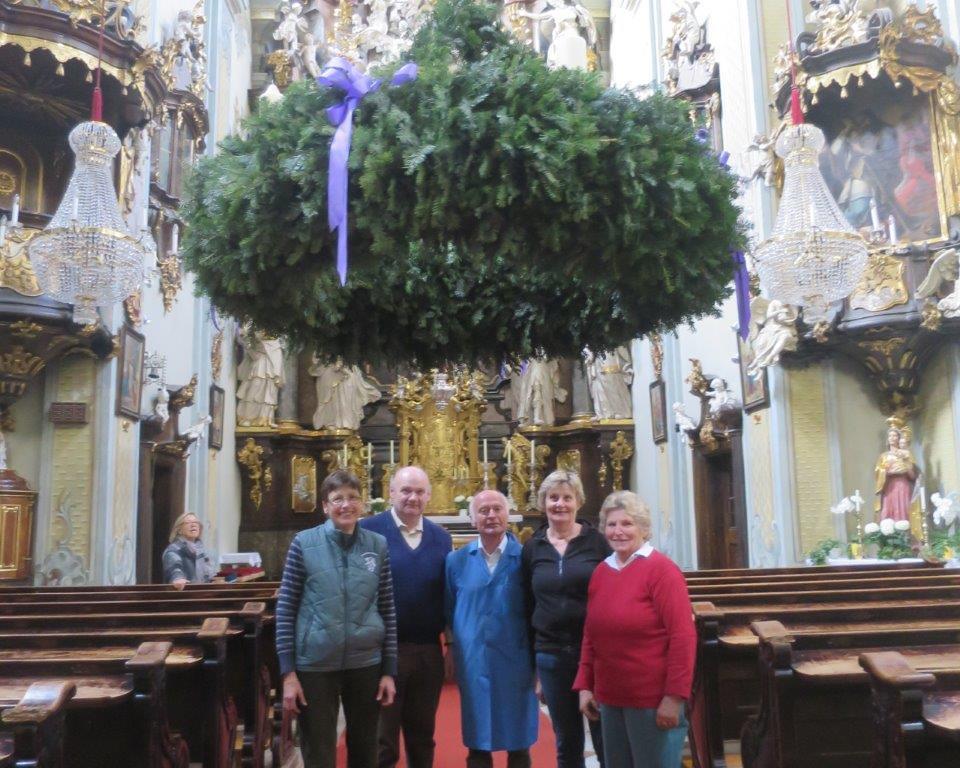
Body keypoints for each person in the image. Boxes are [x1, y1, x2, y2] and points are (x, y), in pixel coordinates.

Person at [276, 470, 398, 767]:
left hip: (366, 661)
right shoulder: (304, 543)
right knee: (319, 752)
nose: (346, 505)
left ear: (362, 503)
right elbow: (286, 608)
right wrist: (288, 674)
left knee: (366, 751)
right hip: (315, 663)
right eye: (337, 499)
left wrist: (388, 670)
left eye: (353, 497)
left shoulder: (377, 545)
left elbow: (387, 607)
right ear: (325, 506)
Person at [575, 491, 696, 768]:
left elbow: (683, 637)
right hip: (610, 697)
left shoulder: (662, 571)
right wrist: (585, 685)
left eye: (627, 523)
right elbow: (591, 634)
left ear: (642, 527)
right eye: (611, 524)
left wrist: (674, 697)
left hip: (652, 700)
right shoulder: (602, 572)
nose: (618, 531)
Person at [360, 466, 452, 768]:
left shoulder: (441, 537)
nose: (413, 497)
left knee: (422, 735)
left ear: (429, 495)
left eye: (419, 491)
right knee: (383, 740)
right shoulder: (368, 530)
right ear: (391, 493)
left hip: (428, 650)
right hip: (383, 650)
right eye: (406, 491)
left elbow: (447, 592)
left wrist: (450, 642)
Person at [522, 470, 610, 768]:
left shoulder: (597, 543)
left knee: (604, 736)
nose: (560, 504)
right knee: (567, 741)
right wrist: (535, 670)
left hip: (595, 653)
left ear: (578, 501)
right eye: (553, 497)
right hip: (551, 654)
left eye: (567, 498)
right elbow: (527, 605)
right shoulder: (533, 547)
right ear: (543, 502)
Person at [446, 490, 538, 768]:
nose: (491, 515)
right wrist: (451, 646)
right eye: (483, 510)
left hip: (516, 657)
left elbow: (535, 608)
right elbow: (449, 607)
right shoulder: (456, 561)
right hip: (473, 658)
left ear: (507, 515)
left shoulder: (525, 558)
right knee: (477, 736)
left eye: (497, 509)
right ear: (472, 519)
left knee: (518, 736)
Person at [162, 512, 216, 590]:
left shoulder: (202, 551)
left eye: (195, 522)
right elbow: (174, 568)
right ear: (179, 530)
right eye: (188, 522)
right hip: (184, 594)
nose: (193, 525)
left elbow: (209, 576)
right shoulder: (174, 550)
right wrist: (178, 578)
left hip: (202, 593)